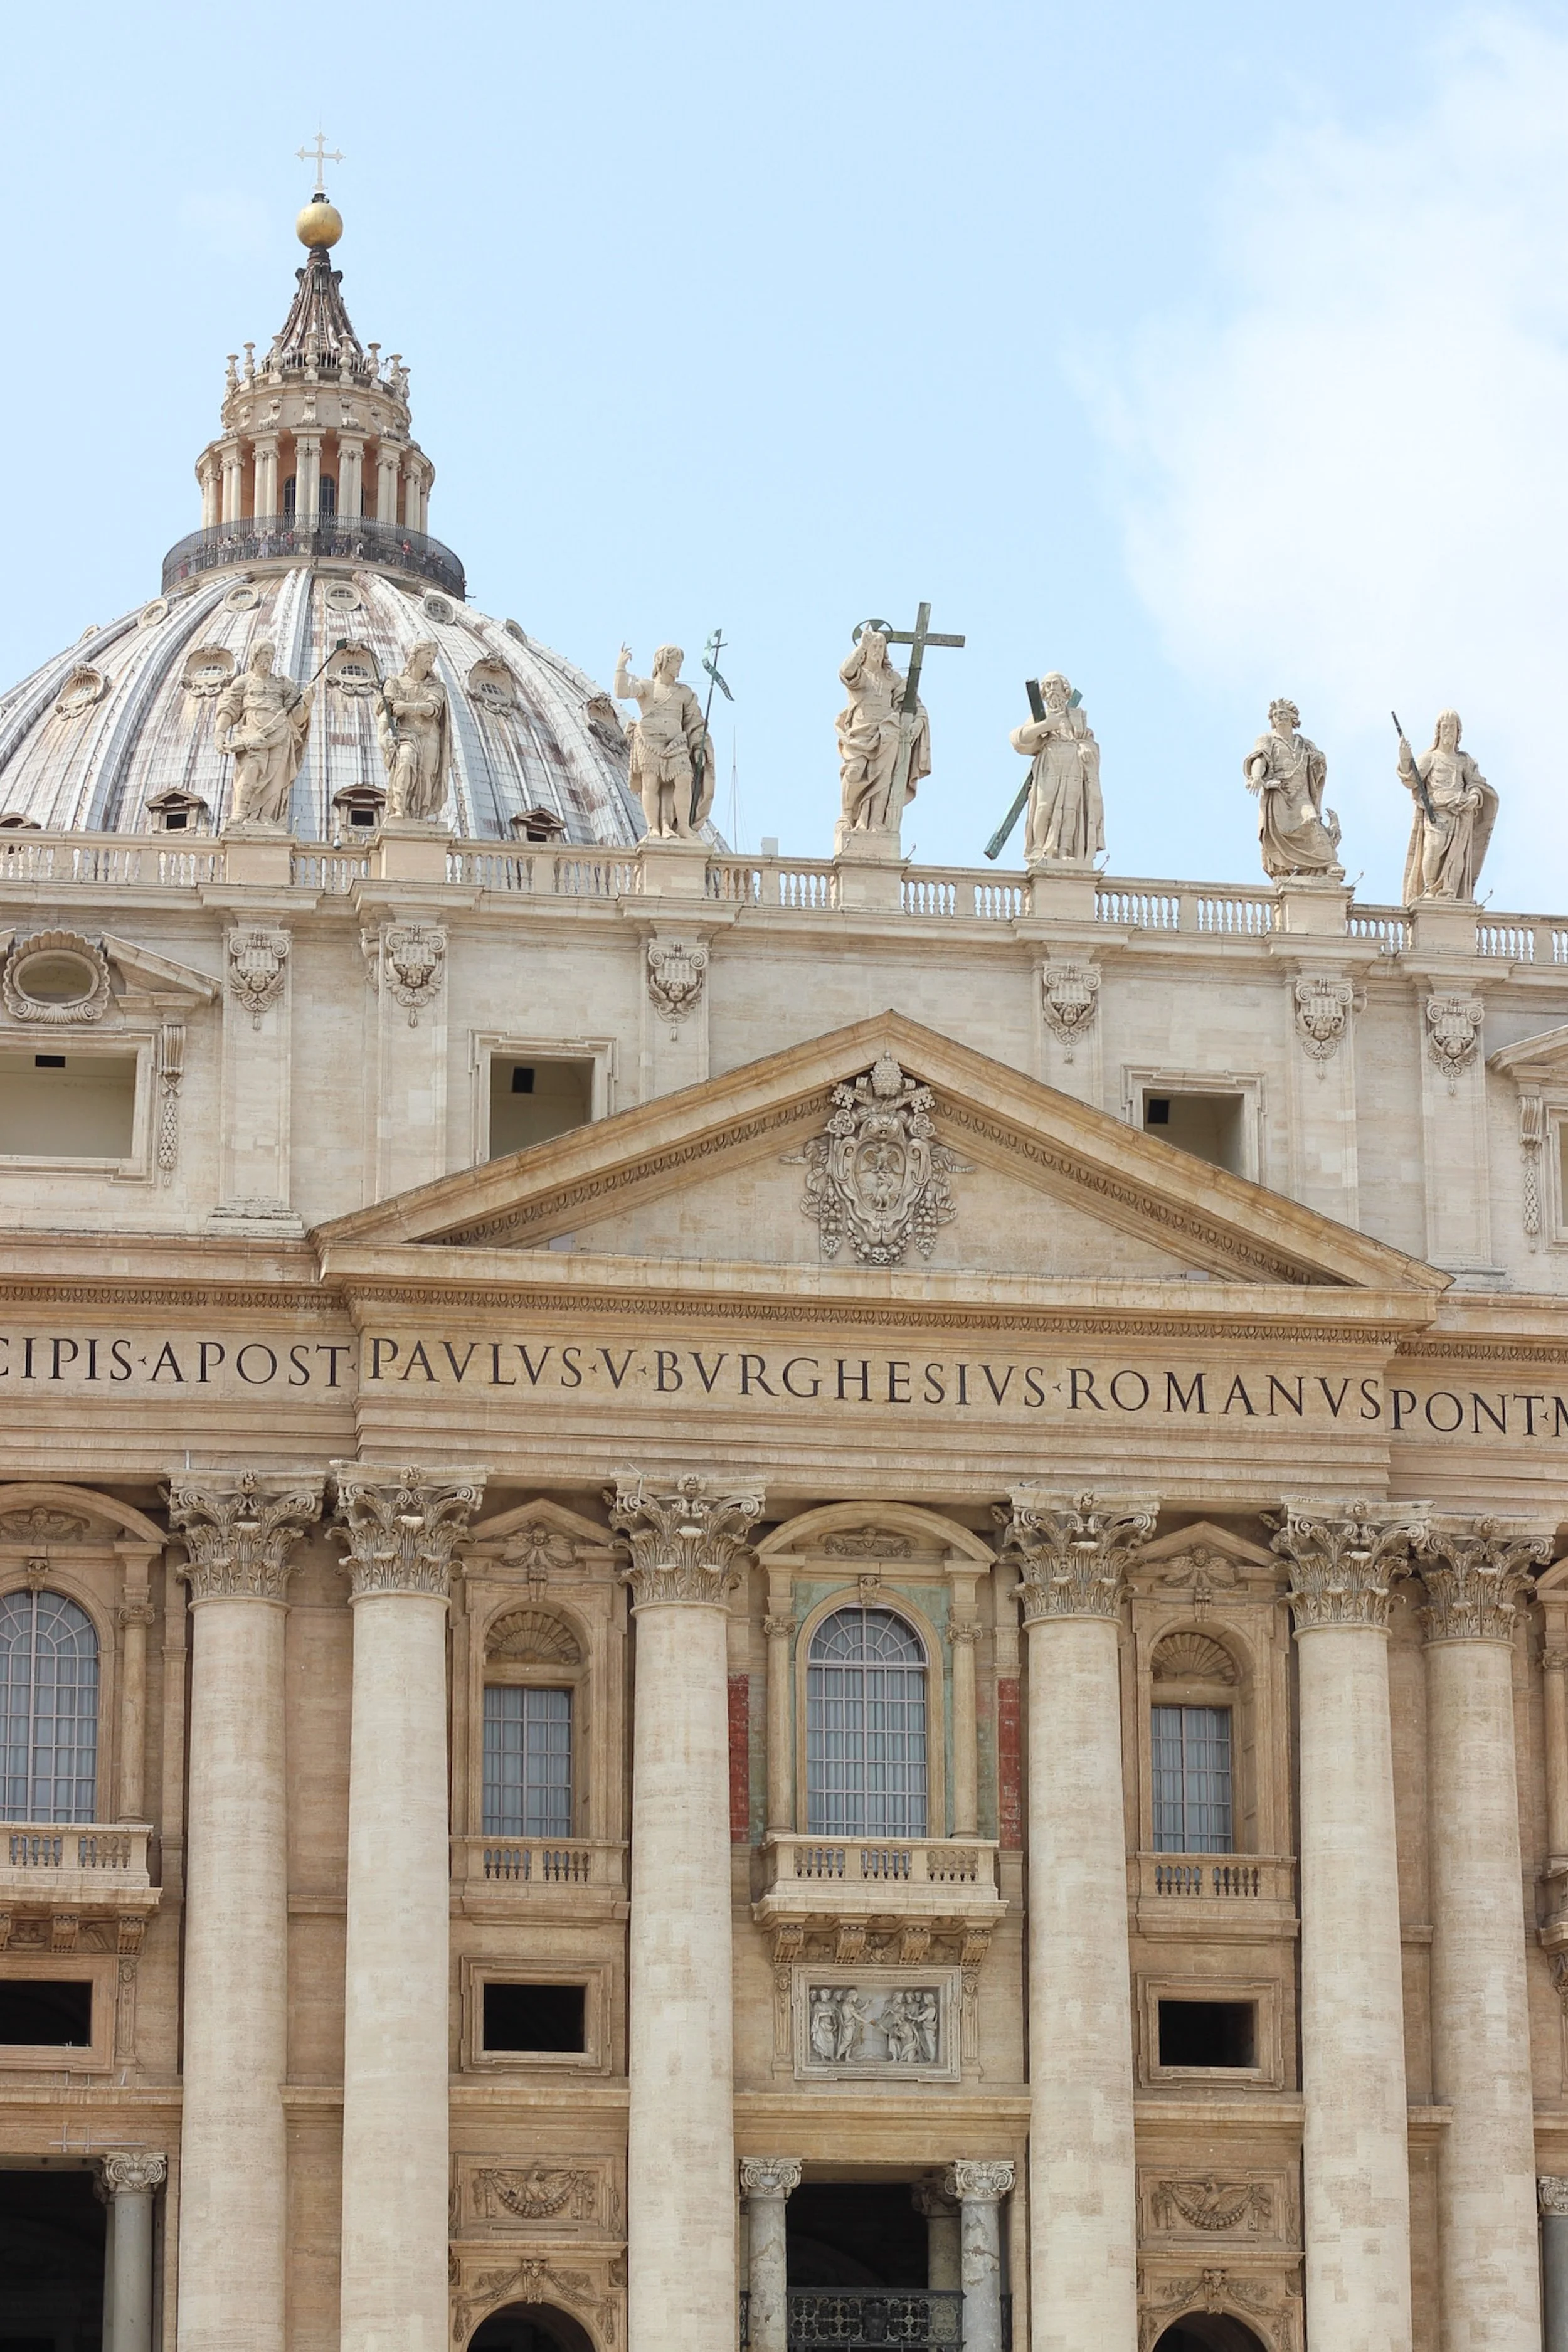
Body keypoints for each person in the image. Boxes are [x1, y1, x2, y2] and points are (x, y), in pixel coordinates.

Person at [613, 644, 714, 839]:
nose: (679, 667)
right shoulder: (646, 686)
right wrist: (621, 667)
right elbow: (622, 692)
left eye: (680, 663)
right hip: (649, 741)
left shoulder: (685, 693)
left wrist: (698, 747)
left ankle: (683, 826)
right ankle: (654, 828)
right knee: (651, 784)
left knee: (685, 779)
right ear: (663, 662)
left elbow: (694, 721)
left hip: (677, 743)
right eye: (676, 662)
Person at [835, 628, 929, 835]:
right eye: (874, 646)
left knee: (883, 779)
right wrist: (861, 646)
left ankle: (876, 822)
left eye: (881, 647)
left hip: (888, 735)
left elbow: (915, 705)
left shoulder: (892, 679)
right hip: (859, 734)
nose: (877, 650)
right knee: (853, 773)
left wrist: (917, 723)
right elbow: (846, 672)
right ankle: (847, 817)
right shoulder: (860, 676)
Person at [1397, 710, 1497, 901]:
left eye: (1453, 727)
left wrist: (1474, 797)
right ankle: (1429, 889)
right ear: (1438, 731)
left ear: (1459, 732)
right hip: (1437, 812)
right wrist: (1404, 758)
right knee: (1434, 848)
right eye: (1445, 727)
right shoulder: (1430, 757)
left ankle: (1450, 890)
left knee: (1457, 857)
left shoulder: (1464, 760)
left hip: (1461, 814)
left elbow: (1476, 783)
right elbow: (1411, 779)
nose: (1449, 731)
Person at [214, 642, 313, 827]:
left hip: (280, 734)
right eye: (264, 653)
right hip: (252, 732)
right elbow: (230, 708)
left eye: (271, 654)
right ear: (254, 655)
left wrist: (307, 703)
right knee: (250, 770)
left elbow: (296, 717)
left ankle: (267, 816)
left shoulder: (284, 684)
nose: (268, 657)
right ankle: (242, 813)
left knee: (276, 777)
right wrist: (220, 732)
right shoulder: (243, 682)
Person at [1011, 673, 1104, 863]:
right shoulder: (1039, 716)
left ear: (1065, 690)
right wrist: (1045, 725)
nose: (1052, 688)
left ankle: (1065, 850)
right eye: (1048, 685)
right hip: (1050, 762)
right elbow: (1020, 739)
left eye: (1056, 684)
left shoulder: (1077, 717)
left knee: (1071, 809)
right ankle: (1039, 848)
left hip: (1074, 766)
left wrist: (1085, 746)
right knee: (1044, 806)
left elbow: (1090, 741)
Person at [1244, 698, 1340, 877]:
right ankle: (1285, 869)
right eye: (1275, 715)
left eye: (1283, 714)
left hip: (1301, 794)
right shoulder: (1268, 739)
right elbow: (1261, 758)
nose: (1278, 717)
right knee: (1281, 832)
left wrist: (1318, 761)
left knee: (1312, 821)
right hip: (1279, 794)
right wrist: (1257, 775)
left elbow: (1318, 766)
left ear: (1292, 718)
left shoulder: (1305, 743)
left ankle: (1327, 862)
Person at [377, 642, 452, 821]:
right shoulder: (395, 683)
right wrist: (382, 736)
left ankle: (419, 817)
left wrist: (406, 707)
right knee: (405, 762)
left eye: (433, 656)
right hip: (406, 735)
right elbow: (386, 713)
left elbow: (432, 709)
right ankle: (399, 810)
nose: (431, 659)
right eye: (428, 654)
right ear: (415, 656)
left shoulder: (437, 686)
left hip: (430, 736)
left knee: (426, 778)